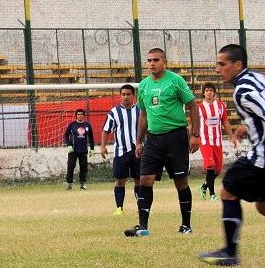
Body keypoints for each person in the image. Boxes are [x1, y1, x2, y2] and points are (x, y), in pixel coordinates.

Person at [124, 48, 201, 237]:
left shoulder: (176, 81)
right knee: (145, 180)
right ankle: (142, 227)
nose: (151, 63)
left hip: (176, 137)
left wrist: (195, 134)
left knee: (180, 182)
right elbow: (143, 115)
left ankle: (186, 225)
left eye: (156, 60)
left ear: (164, 62)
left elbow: (193, 105)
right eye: (149, 60)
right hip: (153, 139)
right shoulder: (143, 86)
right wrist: (139, 141)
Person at [200, 44, 265, 266]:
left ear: (237, 65)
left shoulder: (242, 90)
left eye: (222, 64)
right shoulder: (258, 78)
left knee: (228, 188)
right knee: (262, 206)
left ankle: (230, 252)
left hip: (262, 157)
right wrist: (249, 126)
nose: (217, 69)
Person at [100, 84, 141, 215]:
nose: (126, 97)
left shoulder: (140, 110)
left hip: (138, 151)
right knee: (120, 180)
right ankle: (119, 208)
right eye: (123, 94)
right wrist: (102, 146)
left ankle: (141, 206)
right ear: (120, 96)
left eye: (128, 94)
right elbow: (106, 130)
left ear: (133, 96)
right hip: (121, 151)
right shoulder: (114, 112)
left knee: (139, 179)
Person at [197, 82, 236, 201]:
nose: (209, 92)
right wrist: (192, 137)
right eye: (207, 90)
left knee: (218, 169)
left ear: (214, 92)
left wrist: (231, 136)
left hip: (217, 141)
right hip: (205, 141)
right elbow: (194, 123)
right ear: (203, 93)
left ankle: (204, 186)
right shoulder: (199, 107)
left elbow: (225, 121)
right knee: (210, 166)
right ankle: (212, 194)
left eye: (211, 90)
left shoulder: (220, 106)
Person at [64, 109, 94, 190]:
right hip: (73, 150)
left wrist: (92, 148)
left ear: (83, 115)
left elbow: (91, 137)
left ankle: (83, 184)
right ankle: (69, 184)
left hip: (83, 149)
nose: (80, 115)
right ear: (76, 115)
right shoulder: (72, 125)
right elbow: (66, 135)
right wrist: (68, 145)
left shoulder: (87, 125)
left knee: (83, 167)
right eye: (78, 114)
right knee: (71, 166)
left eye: (81, 114)